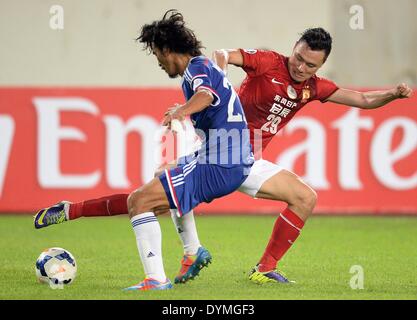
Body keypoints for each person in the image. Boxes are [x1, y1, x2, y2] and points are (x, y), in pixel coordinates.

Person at [35, 27, 413, 285]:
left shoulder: (314, 88)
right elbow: (221, 55)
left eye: (310, 64)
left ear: (320, 66)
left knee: (305, 197)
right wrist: (217, 87)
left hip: (246, 156)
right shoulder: (267, 61)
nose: (300, 67)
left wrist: (392, 95)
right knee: (157, 190)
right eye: (298, 57)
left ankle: (261, 268)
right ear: (293, 48)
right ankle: (187, 252)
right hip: (221, 146)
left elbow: (362, 100)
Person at [34, 9, 254, 291]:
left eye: (156, 55)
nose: (159, 63)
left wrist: (180, 112)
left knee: (140, 202)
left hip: (221, 163)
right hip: (224, 158)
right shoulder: (202, 68)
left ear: (166, 49)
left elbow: (205, 96)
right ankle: (192, 249)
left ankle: (157, 279)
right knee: (161, 175)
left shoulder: (197, 68)